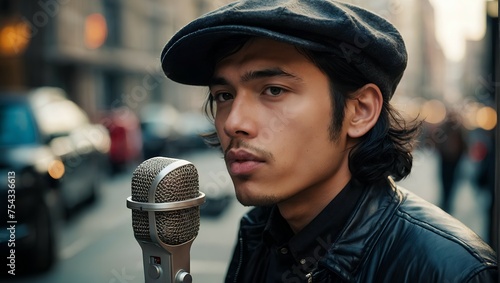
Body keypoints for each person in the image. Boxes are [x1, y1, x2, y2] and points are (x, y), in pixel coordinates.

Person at [160, 0, 498, 282]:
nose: (233, 122)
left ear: (360, 111)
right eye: (223, 95)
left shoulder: (453, 272)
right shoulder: (259, 232)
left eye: (273, 90)